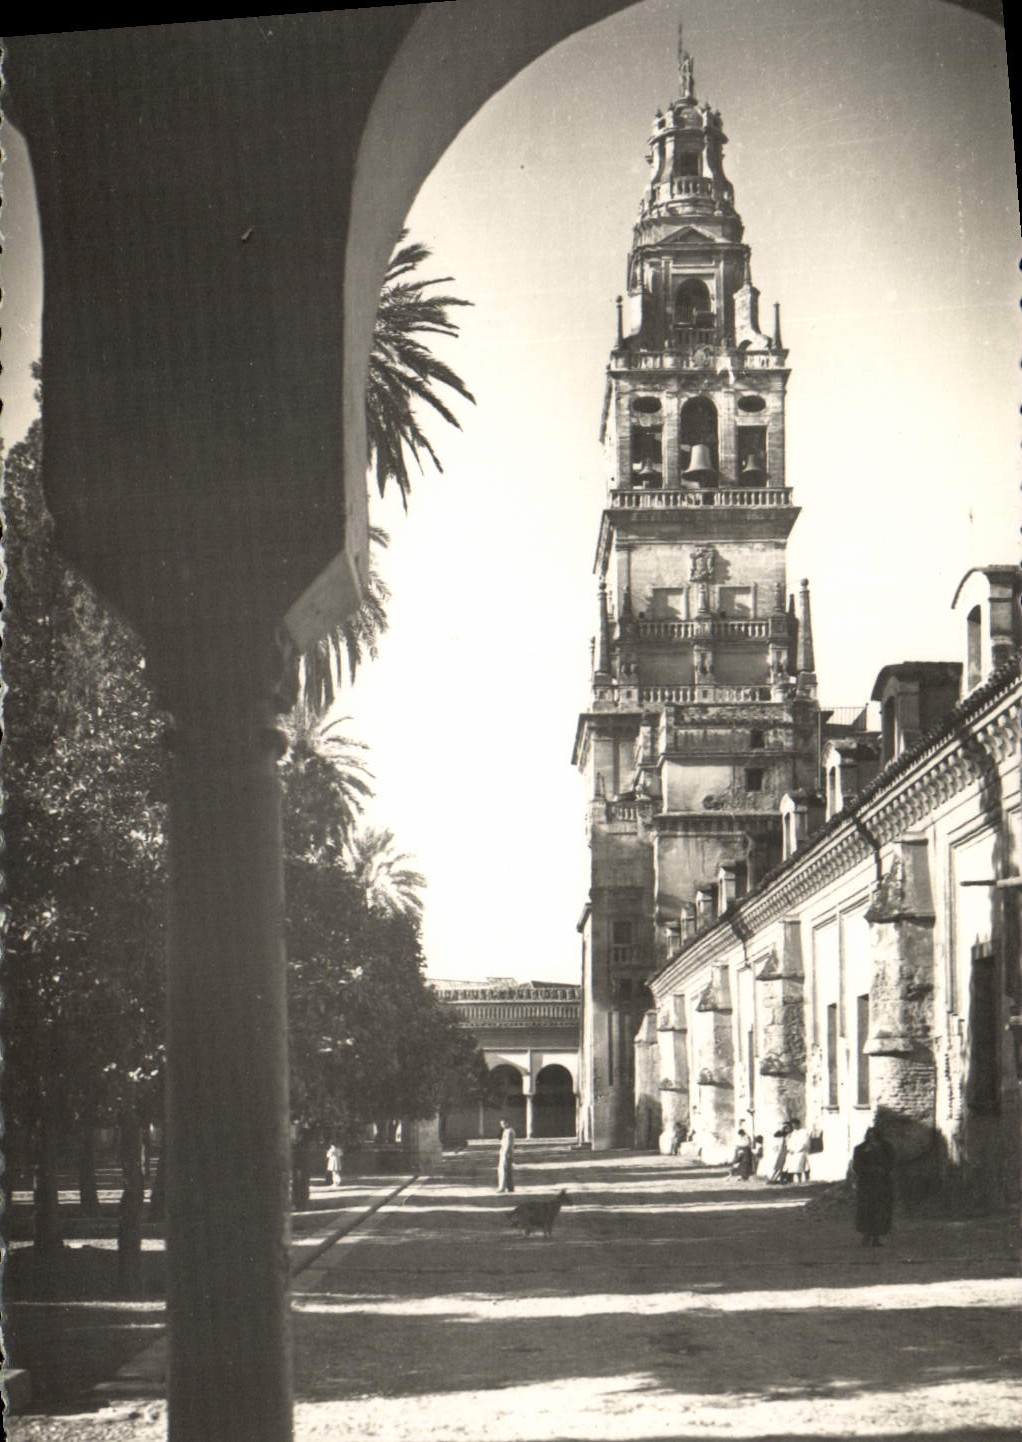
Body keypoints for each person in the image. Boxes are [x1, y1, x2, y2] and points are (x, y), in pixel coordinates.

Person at [852, 1123, 895, 1247]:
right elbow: (857, 1166)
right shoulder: (860, 1149)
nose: (872, 1139)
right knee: (866, 1210)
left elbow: (892, 1161)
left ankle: (876, 1237)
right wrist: (868, 1170)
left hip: (882, 1184)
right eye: (870, 1136)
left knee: (880, 1210)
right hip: (867, 1185)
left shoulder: (886, 1148)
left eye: (875, 1136)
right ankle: (866, 1234)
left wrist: (883, 1169)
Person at [497, 1116, 516, 1193]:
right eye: (501, 1124)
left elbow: (508, 1143)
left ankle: (502, 1188)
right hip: (507, 1152)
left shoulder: (508, 1131)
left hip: (505, 1153)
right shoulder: (508, 1130)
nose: (502, 1125)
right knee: (508, 1170)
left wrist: (506, 1153)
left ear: (507, 1123)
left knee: (503, 1170)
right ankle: (510, 1187)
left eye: (503, 1123)